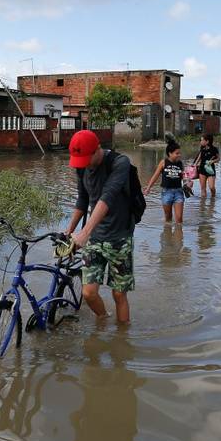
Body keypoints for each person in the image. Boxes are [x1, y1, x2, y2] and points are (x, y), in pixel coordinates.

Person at [64, 129, 135, 324]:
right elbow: (83, 200)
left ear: (97, 150)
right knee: (88, 293)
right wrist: (69, 231)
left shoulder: (120, 163)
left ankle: (122, 343)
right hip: (95, 238)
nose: (83, 165)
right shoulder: (82, 167)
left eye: (86, 159)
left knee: (119, 295)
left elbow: (107, 197)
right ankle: (103, 319)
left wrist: (85, 232)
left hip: (120, 238)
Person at [143, 140, 185, 224]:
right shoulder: (163, 162)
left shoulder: (180, 163)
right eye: (177, 153)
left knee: (179, 219)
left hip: (178, 192)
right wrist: (148, 188)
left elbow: (184, 177)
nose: (179, 155)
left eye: (179, 153)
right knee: (168, 217)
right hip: (166, 192)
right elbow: (155, 176)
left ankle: (178, 235)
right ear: (170, 153)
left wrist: (188, 183)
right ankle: (168, 233)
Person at [194, 133, 221, 197]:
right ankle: (202, 205)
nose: (201, 142)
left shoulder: (214, 149)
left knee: (211, 187)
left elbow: (218, 158)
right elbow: (199, 157)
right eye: (200, 140)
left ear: (207, 141)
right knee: (203, 189)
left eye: (202, 140)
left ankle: (213, 199)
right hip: (202, 169)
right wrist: (194, 165)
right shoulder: (202, 148)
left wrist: (212, 161)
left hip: (210, 170)